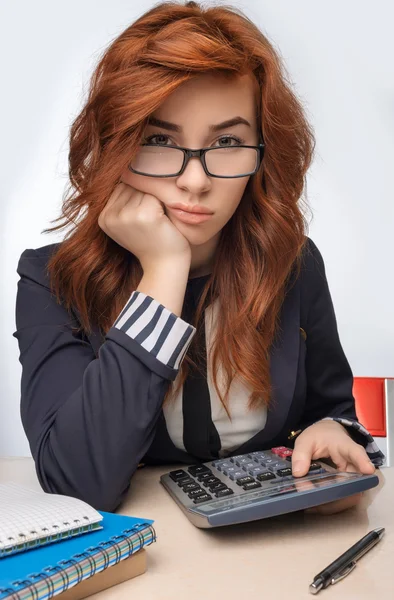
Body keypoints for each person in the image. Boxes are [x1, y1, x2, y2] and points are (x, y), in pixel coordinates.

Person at [13, 0, 384, 514]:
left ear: (262, 152)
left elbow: (334, 411)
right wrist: (164, 270)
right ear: (117, 146)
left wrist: (331, 431)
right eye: (159, 140)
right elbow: (76, 483)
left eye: (228, 140)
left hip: (282, 550)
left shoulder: (292, 264)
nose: (195, 180)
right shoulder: (51, 280)